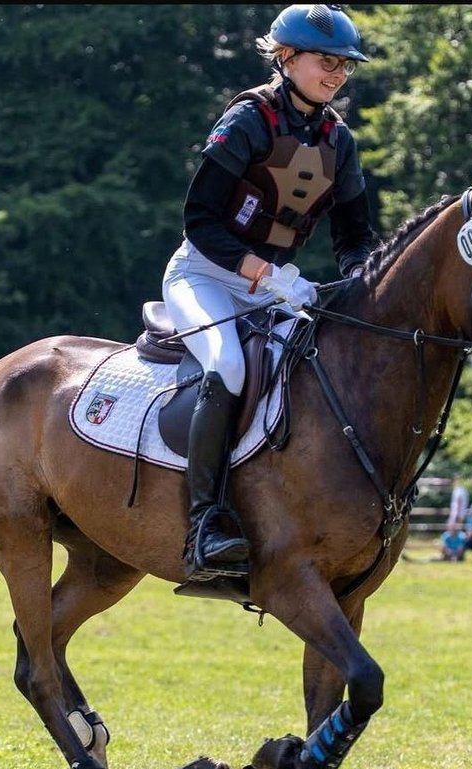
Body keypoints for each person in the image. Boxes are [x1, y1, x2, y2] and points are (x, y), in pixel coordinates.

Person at [162, 4, 376, 580]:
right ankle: (206, 521)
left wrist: (359, 278)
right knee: (228, 366)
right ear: (286, 58)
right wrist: (264, 272)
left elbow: (354, 235)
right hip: (205, 275)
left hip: (278, 289)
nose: (336, 73)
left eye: (344, 65)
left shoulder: (339, 139)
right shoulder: (247, 120)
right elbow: (199, 221)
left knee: (315, 372)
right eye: (325, 61)